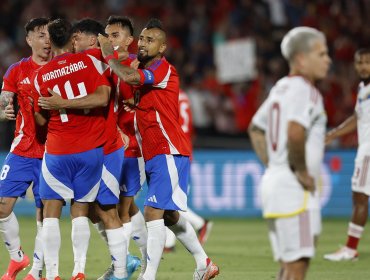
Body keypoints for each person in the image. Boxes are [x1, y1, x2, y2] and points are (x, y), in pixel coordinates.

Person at [98, 18, 220, 280]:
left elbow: (129, 75)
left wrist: (109, 56)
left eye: (150, 40)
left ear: (162, 47)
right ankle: (204, 263)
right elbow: (132, 85)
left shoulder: (164, 69)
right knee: (169, 215)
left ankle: (148, 275)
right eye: (141, 39)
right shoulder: (143, 69)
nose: (143, 44)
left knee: (152, 211)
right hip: (152, 151)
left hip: (168, 148)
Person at [38, 18, 138, 280]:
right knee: (95, 210)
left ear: (92, 39)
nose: (76, 41)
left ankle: (122, 268)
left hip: (103, 145)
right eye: (73, 36)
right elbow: (122, 62)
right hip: (98, 144)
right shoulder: (98, 59)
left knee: (107, 210)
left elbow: (111, 86)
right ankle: (121, 262)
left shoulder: (93, 56)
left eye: (79, 36)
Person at [248, 26, 330, 280]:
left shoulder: (281, 88)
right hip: (295, 190)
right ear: (302, 58)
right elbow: (295, 132)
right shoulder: (306, 90)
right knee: (297, 266)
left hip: (275, 182)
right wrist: (302, 172)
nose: (328, 60)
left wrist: (274, 165)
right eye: (322, 54)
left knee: (287, 266)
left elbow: (255, 128)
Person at [0, 17, 51, 280]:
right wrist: (4, 109)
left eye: (49, 34)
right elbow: (3, 100)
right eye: (40, 35)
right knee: (2, 207)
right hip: (22, 148)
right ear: (29, 39)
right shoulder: (17, 70)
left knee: (45, 215)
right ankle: (18, 258)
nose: (46, 40)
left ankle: (38, 270)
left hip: (53, 152)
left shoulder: (60, 68)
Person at [102, 15, 148, 280]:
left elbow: (139, 95)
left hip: (132, 146)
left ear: (130, 40)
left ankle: (125, 265)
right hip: (108, 145)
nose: (111, 40)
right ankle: (137, 259)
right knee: (124, 208)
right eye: (107, 35)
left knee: (122, 207)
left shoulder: (133, 66)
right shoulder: (106, 65)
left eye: (116, 35)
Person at [324, 48, 370, 261]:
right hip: (364, 148)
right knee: (358, 197)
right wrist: (333, 134)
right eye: (359, 62)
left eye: (367, 62)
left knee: (359, 197)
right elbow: (357, 118)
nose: (363, 66)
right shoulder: (363, 88)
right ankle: (350, 248)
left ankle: (350, 249)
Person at [164, 89, 213, 252]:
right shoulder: (184, 96)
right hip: (185, 146)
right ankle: (169, 244)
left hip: (174, 148)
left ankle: (200, 223)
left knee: (168, 198)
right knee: (169, 198)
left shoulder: (165, 94)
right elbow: (190, 126)